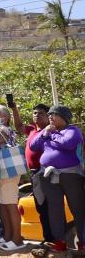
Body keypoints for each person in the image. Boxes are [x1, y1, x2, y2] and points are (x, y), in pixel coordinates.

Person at [28, 105, 85, 253]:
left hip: (70, 175)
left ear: (64, 117)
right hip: (49, 176)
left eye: (54, 114)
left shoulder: (73, 131)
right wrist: (44, 133)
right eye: (50, 114)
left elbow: (68, 144)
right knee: (55, 210)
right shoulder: (46, 132)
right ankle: (59, 242)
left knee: (78, 209)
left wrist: (51, 135)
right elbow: (33, 146)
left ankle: (83, 242)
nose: (51, 117)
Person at [0, 106, 25, 250]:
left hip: (9, 172)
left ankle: (17, 239)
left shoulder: (4, 130)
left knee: (10, 205)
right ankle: (8, 236)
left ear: (5, 118)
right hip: (0, 171)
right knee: (3, 205)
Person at [19, 102, 55, 246]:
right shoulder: (33, 129)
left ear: (48, 116)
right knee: (41, 207)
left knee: (50, 207)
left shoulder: (50, 131)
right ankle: (48, 238)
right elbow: (19, 127)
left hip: (46, 173)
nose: (36, 115)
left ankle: (53, 239)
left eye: (40, 113)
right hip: (34, 175)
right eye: (34, 113)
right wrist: (14, 108)